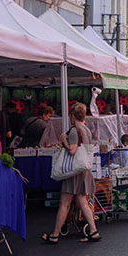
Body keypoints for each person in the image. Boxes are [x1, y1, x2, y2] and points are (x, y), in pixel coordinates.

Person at [42, 103, 100, 244]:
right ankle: (93, 230)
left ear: (72, 116)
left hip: (74, 171)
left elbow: (72, 150)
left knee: (64, 203)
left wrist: (63, 140)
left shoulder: (74, 130)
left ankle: (55, 234)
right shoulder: (86, 129)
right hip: (83, 169)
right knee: (82, 201)